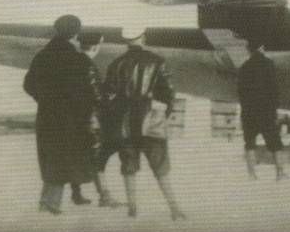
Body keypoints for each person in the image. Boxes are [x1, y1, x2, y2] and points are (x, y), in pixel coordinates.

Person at [103, 25, 185, 220]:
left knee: (129, 166)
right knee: (160, 167)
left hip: (125, 122)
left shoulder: (116, 64)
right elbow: (169, 93)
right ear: (144, 38)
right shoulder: (157, 61)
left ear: (126, 41)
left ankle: (132, 208)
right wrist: (164, 114)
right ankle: (174, 209)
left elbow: (107, 94)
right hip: (151, 120)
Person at [23, 14, 98, 215]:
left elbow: (28, 84)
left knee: (53, 158)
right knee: (63, 160)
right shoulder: (77, 58)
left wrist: (45, 100)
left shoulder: (43, 55)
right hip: (70, 119)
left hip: (47, 116)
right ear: (76, 32)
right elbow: (87, 91)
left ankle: (61, 198)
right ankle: (49, 204)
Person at [72, 32, 123, 208]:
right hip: (89, 118)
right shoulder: (88, 66)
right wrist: (112, 91)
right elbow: (98, 97)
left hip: (73, 116)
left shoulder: (71, 62)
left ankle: (77, 194)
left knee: (77, 155)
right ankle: (105, 197)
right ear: (95, 47)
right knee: (96, 157)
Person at [237, 39, 287, 180]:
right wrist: (274, 109)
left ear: (249, 50)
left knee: (250, 143)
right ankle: (280, 173)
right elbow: (274, 89)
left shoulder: (244, 67)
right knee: (276, 143)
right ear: (261, 48)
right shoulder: (268, 64)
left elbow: (240, 92)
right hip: (266, 111)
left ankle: (252, 174)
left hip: (249, 112)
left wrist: (246, 108)